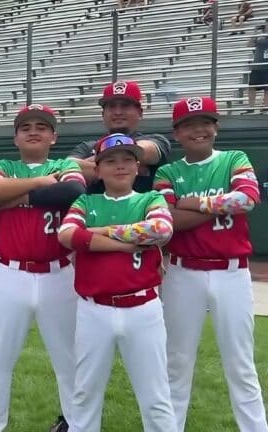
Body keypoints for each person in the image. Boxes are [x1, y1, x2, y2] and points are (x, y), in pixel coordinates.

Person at [153, 97, 268, 432]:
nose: (198, 129)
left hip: (231, 272)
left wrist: (194, 202)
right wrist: (217, 206)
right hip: (182, 272)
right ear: (177, 132)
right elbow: (167, 219)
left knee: (241, 365)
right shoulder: (168, 171)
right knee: (176, 363)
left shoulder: (234, 158)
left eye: (204, 122)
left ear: (215, 126)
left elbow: (247, 199)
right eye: (189, 124)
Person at [0, 105, 86, 432]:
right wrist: (40, 182)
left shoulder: (64, 164)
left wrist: (21, 197)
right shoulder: (5, 165)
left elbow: (74, 190)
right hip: (10, 274)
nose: (34, 131)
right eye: (26, 127)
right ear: (16, 136)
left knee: (70, 361)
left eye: (42, 126)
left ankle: (80, 425)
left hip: (59, 274)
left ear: (53, 135)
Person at [57, 133, 176, 432]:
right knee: (85, 393)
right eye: (110, 161)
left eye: (127, 159)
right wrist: (125, 244)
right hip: (94, 310)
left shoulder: (151, 198)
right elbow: (67, 235)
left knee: (156, 396)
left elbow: (160, 230)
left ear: (138, 167)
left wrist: (101, 231)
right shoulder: (86, 200)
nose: (119, 166)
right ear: (98, 169)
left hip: (143, 307)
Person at [67, 81, 171, 193]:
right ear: (103, 114)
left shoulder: (157, 140)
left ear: (140, 113)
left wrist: (94, 165)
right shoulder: (86, 147)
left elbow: (144, 150)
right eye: (111, 106)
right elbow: (67, 168)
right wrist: (129, 161)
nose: (118, 112)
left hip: (142, 209)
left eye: (125, 106)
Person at [248, 25, 268, 108]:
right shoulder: (260, 38)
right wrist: (255, 32)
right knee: (252, 87)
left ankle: (266, 106)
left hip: (266, 67)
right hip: (257, 66)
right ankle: (251, 107)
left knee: (267, 88)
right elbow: (249, 45)